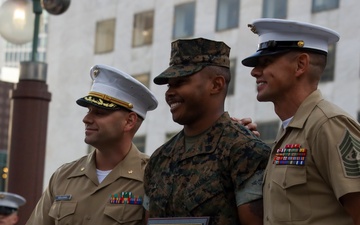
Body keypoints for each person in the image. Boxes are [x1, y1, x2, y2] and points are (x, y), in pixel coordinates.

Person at [241, 18, 360, 225]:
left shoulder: (329, 125)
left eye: (266, 62)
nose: (254, 72)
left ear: (300, 65)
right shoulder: (290, 130)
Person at [143, 38, 271, 225]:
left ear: (216, 85)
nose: (169, 92)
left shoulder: (244, 151)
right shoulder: (159, 158)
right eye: (169, 85)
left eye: (180, 82)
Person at [26, 64, 158, 225]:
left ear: (129, 121)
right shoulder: (64, 177)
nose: (86, 119)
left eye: (100, 113)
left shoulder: (153, 177)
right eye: (88, 111)